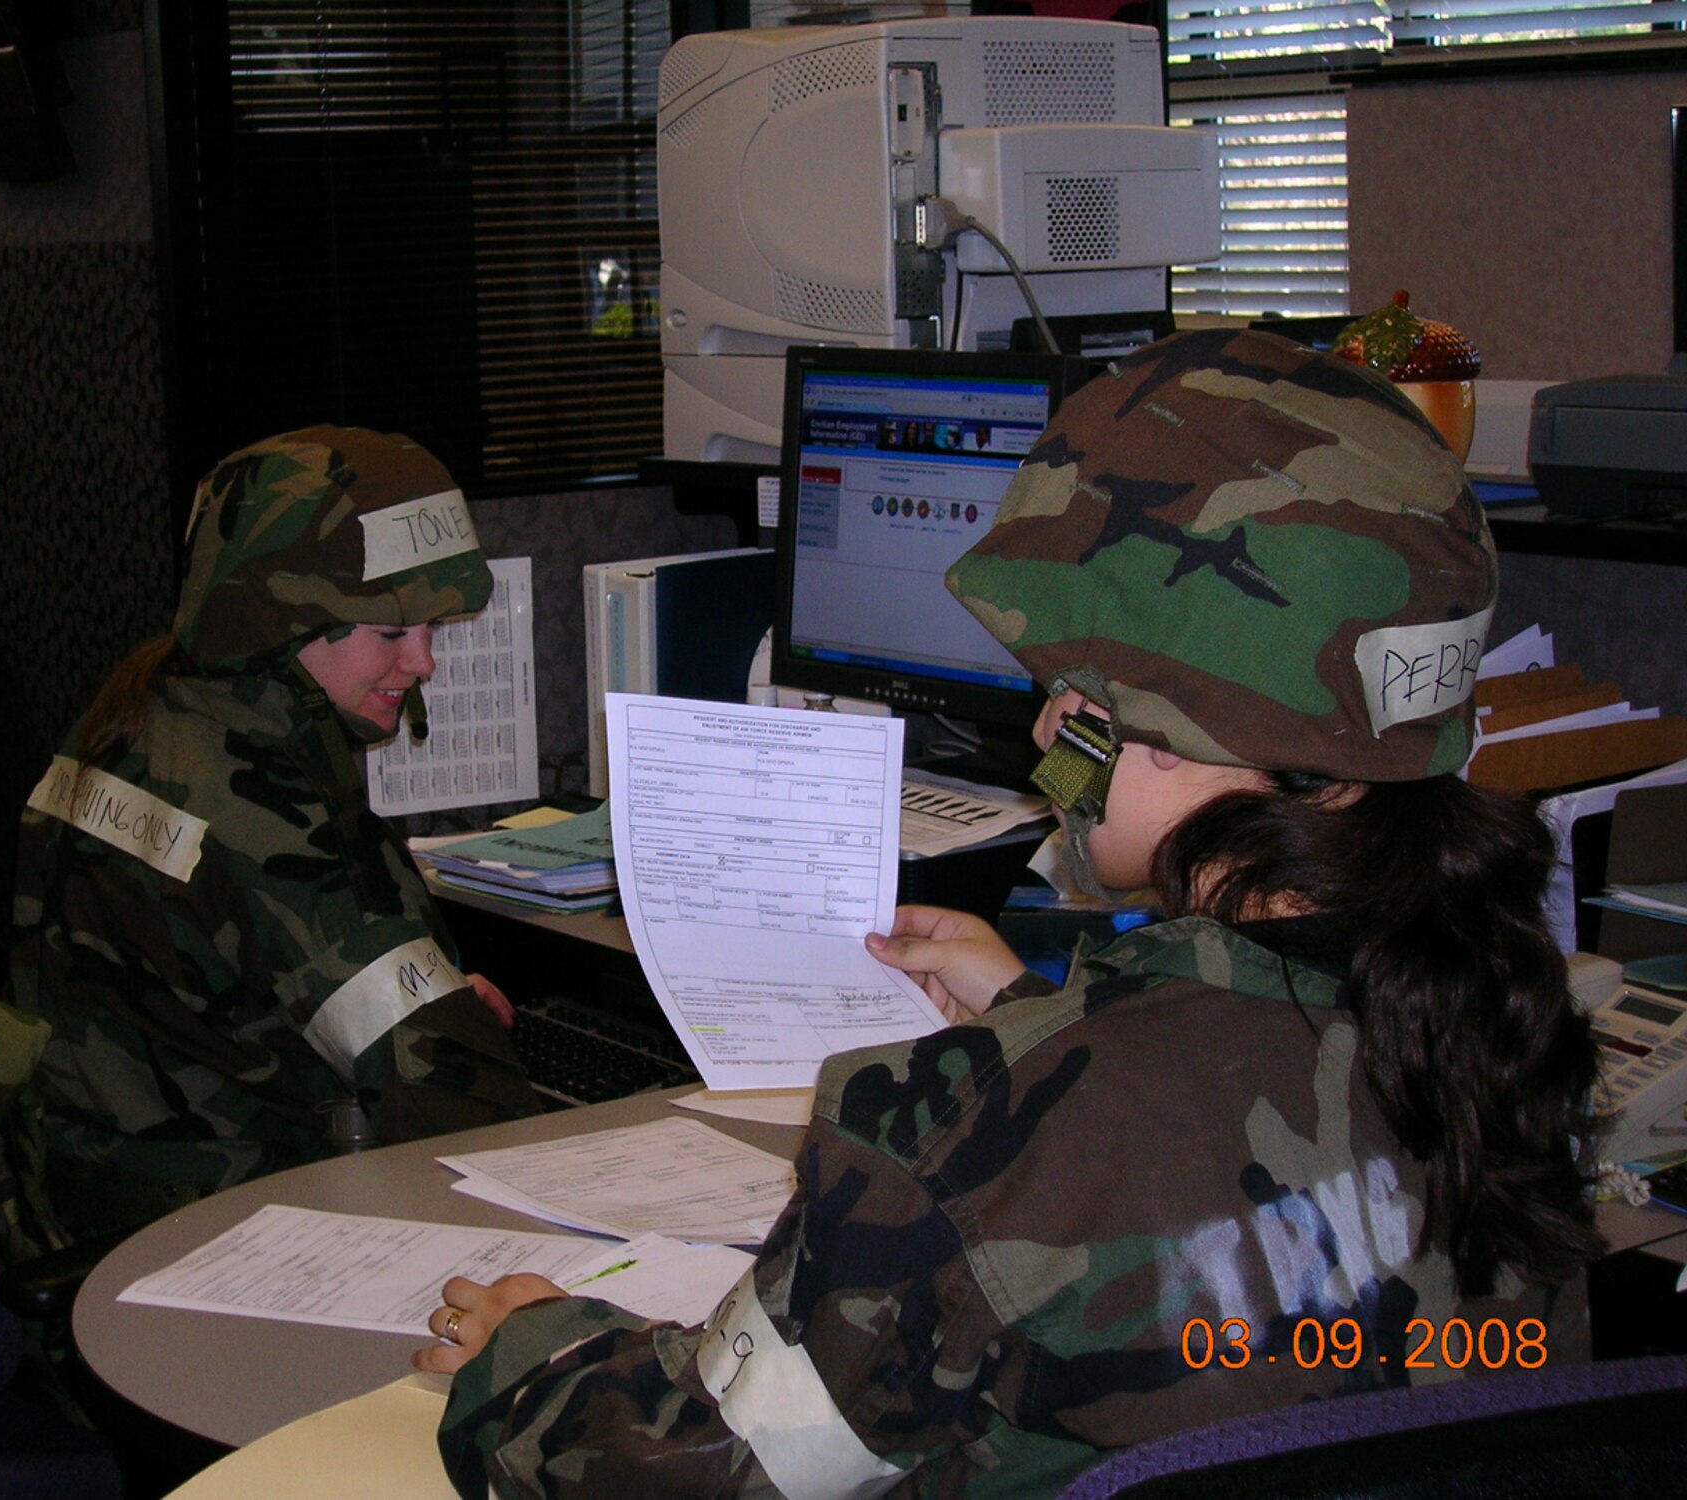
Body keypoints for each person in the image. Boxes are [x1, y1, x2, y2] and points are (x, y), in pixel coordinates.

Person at [411, 331, 1604, 1498]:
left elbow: (687, 1471)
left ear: (1186, 720)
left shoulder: (962, 1124)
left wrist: (535, 1348)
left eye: (1074, 697)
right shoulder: (1492, 1020)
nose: (1045, 733)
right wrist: (1043, 1022)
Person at [9, 426, 537, 1237]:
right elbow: (451, 1094)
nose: (424, 663)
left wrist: (429, 997)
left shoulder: (149, 712)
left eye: (434, 629)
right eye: (392, 632)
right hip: (226, 1230)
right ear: (281, 622)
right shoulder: (260, 801)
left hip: (99, 1190)